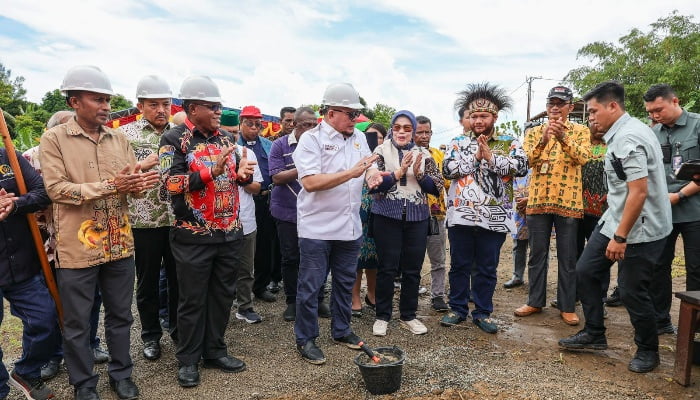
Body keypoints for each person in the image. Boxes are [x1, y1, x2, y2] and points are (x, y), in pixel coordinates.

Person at [40, 65, 159, 400]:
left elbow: (127, 188)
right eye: (98, 99)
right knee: (78, 323)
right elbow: (56, 189)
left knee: (121, 315)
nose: (106, 106)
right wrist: (112, 185)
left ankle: (122, 375)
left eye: (107, 99)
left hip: (119, 242)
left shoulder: (118, 139)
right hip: (77, 248)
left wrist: (137, 185)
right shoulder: (54, 139)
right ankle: (83, 383)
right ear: (75, 101)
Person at [559, 81, 672, 374]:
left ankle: (648, 350)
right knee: (586, 271)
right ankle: (595, 333)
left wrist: (621, 237)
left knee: (633, 291)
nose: (590, 118)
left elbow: (639, 193)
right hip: (615, 218)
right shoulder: (624, 130)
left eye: (594, 111)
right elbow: (628, 184)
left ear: (613, 106)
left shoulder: (628, 137)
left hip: (639, 227)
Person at [158, 76, 255, 387]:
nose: (218, 111)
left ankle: (215, 350)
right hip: (193, 237)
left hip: (229, 234)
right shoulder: (173, 140)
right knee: (192, 299)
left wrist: (240, 176)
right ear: (192, 108)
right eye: (213, 106)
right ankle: (188, 360)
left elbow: (234, 178)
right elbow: (168, 185)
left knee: (222, 296)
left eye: (220, 106)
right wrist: (209, 171)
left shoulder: (226, 141)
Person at [292, 82, 378, 364]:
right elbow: (311, 182)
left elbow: (368, 166)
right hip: (316, 227)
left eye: (357, 114)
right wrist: (352, 173)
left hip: (349, 226)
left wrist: (372, 176)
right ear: (331, 113)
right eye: (350, 114)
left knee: (344, 282)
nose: (356, 120)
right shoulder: (311, 140)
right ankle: (306, 338)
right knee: (311, 286)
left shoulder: (358, 138)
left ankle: (341, 329)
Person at [24, 111, 111, 382]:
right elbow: (32, 195)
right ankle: (54, 354)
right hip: (46, 241)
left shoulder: (91, 150)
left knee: (92, 297)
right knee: (53, 300)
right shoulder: (29, 158)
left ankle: (91, 342)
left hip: (86, 236)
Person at [440, 83, 528, 334]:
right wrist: (475, 158)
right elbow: (448, 170)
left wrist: (491, 158)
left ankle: (482, 312)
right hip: (461, 215)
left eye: (483, 116)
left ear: (495, 117)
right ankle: (457, 309)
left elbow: (521, 167)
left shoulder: (510, 142)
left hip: (495, 216)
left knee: (487, 267)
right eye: (474, 116)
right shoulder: (457, 142)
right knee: (459, 265)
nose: (478, 120)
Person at [515, 86, 591, 326]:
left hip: (567, 201)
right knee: (537, 254)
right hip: (538, 201)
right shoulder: (534, 132)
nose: (555, 108)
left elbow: (583, 157)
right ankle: (535, 301)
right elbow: (526, 161)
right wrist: (545, 139)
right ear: (547, 107)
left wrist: (562, 137)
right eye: (551, 103)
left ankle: (567, 306)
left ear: (570, 107)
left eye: (561, 103)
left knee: (568, 257)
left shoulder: (580, 130)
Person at [369, 111, 444, 337]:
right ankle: (382, 316)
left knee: (412, 268)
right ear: (391, 128)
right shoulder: (380, 151)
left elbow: (437, 186)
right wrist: (399, 172)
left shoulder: (423, 153)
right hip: (386, 216)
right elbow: (375, 185)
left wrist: (421, 176)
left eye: (407, 128)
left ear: (412, 130)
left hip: (417, 218)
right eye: (397, 127)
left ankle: (408, 315)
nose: (402, 132)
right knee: (387, 268)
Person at [120, 75, 178, 362]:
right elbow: (116, 174)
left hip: (177, 220)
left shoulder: (181, 133)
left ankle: (179, 331)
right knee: (148, 283)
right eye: (153, 104)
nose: (161, 110)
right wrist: (141, 166)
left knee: (180, 280)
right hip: (144, 222)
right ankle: (151, 336)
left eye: (165, 104)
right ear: (140, 105)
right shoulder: (125, 136)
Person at [0, 148, 60, 400]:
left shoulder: (7, 157)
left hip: (21, 261)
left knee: (46, 319)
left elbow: (43, 193)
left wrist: (15, 204)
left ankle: (26, 371)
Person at [643, 84, 700, 335]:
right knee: (658, 265)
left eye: (659, 110)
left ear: (675, 101)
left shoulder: (697, 125)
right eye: (650, 112)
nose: (655, 116)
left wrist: (678, 195)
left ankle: (694, 328)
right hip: (662, 211)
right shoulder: (653, 133)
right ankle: (660, 320)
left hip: (694, 210)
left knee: (696, 269)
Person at [269, 107, 328, 321]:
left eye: (315, 124)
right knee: (291, 257)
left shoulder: (323, 145)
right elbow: (276, 177)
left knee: (318, 256)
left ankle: (318, 299)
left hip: (316, 210)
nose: (312, 128)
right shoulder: (280, 144)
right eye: (306, 125)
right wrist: (303, 167)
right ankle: (292, 301)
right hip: (287, 211)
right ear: (294, 124)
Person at [237, 105, 279, 303]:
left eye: (257, 124)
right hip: (242, 199)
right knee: (240, 245)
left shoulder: (267, 145)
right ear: (241, 123)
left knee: (264, 244)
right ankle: (237, 290)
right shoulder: (235, 145)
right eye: (249, 123)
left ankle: (260, 286)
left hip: (265, 199)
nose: (254, 127)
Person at [414, 115, 450, 312]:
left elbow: (447, 181)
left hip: (436, 214)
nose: (424, 136)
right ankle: (411, 294)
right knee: (413, 259)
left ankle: (438, 296)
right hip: (413, 216)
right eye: (420, 132)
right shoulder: (407, 155)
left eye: (427, 132)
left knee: (438, 259)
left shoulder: (438, 155)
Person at [352, 123, 386, 316]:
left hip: (379, 213)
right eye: (372, 136)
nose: (376, 140)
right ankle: (354, 297)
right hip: (357, 211)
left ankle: (372, 294)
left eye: (380, 136)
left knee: (374, 258)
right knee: (357, 258)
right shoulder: (357, 155)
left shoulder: (386, 156)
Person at [266, 106, 296, 292]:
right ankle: (276, 278)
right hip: (281, 204)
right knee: (280, 246)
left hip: (305, 207)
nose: (292, 125)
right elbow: (276, 176)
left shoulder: (311, 144)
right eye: (288, 121)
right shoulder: (275, 143)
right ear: (280, 122)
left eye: (295, 121)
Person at [233, 144, 264, 324]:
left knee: (246, 268)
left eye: (233, 132)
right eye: (226, 131)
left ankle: (244, 306)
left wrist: (243, 180)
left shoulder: (246, 153)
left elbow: (257, 188)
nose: (230, 136)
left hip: (245, 219)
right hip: (217, 222)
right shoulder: (206, 151)